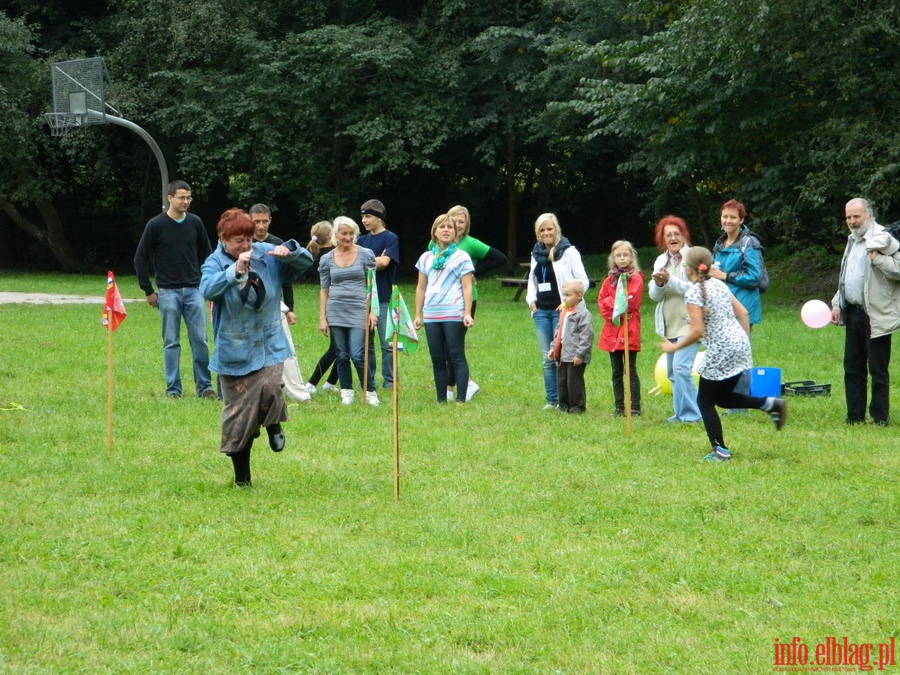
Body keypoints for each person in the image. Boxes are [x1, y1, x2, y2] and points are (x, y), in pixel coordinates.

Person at [199, 208, 314, 486]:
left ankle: (274, 423)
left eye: (248, 239)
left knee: (272, 387)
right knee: (239, 419)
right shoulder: (214, 263)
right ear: (223, 239)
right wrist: (234, 270)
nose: (246, 245)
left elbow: (306, 264)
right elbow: (206, 289)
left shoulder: (265, 252)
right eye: (239, 240)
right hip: (235, 352)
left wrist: (292, 251)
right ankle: (242, 479)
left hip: (270, 344)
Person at [660, 247, 787, 461]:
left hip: (720, 350)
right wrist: (743, 343)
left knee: (705, 402)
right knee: (724, 399)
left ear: (688, 269)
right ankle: (770, 404)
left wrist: (674, 347)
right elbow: (743, 312)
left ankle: (720, 450)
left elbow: (697, 331)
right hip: (739, 344)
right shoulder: (719, 284)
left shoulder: (693, 293)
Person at [134, 179, 216, 399]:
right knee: (171, 342)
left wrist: (207, 284)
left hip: (194, 290)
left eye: (189, 197)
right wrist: (148, 290)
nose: (186, 201)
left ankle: (205, 387)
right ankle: (173, 389)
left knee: (200, 340)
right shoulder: (155, 225)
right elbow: (140, 258)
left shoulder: (195, 223)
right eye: (181, 197)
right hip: (168, 292)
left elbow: (208, 256)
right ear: (169, 198)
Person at [831, 197, 900, 425]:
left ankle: (880, 418)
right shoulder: (852, 240)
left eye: (856, 216)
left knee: (878, 370)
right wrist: (836, 304)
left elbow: (898, 270)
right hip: (853, 312)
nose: (852, 221)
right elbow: (846, 278)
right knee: (852, 368)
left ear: (869, 216)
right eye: (848, 217)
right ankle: (855, 417)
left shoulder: (885, 238)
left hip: (876, 313)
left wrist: (879, 259)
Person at [525, 213, 589, 409]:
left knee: (563, 357)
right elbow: (532, 282)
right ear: (537, 233)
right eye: (542, 230)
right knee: (548, 357)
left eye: (549, 229)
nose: (546, 233)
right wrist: (531, 299)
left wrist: (569, 303)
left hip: (564, 313)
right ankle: (551, 400)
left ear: (556, 230)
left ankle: (566, 400)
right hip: (542, 312)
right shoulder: (536, 253)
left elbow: (583, 281)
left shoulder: (569, 252)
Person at [445, 204, 508, 402]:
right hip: (442, 300)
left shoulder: (471, 244)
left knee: (453, 344)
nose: (457, 225)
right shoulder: (437, 241)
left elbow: (500, 258)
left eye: (461, 221)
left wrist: (473, 272)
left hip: (466, 299)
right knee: (447, 344)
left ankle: (457, 387)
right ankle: (465, 384)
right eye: (454, 220)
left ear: (466, 224)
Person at [413, 213, 475, 403]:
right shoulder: (425, 258)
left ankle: (461, 399)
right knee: (437, 358)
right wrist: (418, 314)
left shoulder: (461, 256)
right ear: (435, 232)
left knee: (456, 356)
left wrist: (466, 313)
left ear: (455, 233)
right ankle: (441, 399)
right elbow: (421, 288)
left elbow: (467, 286)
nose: (446, 230)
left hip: (453, 313)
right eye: (442, 227)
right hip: (432, 314)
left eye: (450, 227)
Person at [318, 216, 379, 406]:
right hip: (335, 310)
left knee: (358, 354)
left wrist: (372, 311)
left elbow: (372, 286)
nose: (348, 237)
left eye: (351, 233)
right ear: (335, 235)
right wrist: (322, 318)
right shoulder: (326, 259)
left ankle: (370, 392)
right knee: (341, 354)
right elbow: (324, 290)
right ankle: (347, 392)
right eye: (344, 233)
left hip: (359, 309)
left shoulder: (366, 254)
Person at [710, 199, 764, 408]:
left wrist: (725, 275)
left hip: (744, 306)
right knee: (725, 352)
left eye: (733, 217)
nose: (728, 220)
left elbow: (754, 277)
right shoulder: (719, 243)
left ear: (741, 220)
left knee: (740, 354)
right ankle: (726, 398)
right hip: (723, 306)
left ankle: (739, 405)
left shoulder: (749, 243)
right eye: (725, 216)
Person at [649, 215, 702, 424]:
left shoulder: (694, 257)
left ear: (684, 235)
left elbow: (698, 290)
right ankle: (679, 414)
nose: (672, 238)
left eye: (676, 234)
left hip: (690, 324)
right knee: (672, 373)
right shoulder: (661, 261)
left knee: (681, 368)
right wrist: (660, 284)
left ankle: (692, 415)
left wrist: (670, 281)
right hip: (668, 324)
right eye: (668, 235)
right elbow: (654, 296)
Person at [356, 199, 400, 390]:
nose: (364, 220)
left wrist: (366, 260)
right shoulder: (362, 240)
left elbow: (384, 263)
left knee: (386, 343)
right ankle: (369, 381)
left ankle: (390, 381)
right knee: (367, 345)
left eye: (368, 216)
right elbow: (354, 262)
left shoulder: (390, 238)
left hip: (382, 298)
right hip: (362, 299)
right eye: (363, 216)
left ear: (379, 218)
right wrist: (375, 259)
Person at [597, 240, 644, 416]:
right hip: (612, 329)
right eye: (618, 255)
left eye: (625, 255)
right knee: (616, 370)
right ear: (613, 258)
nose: (622, 258)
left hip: (629, 328)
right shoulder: (609, 280)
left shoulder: (636, 278)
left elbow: (631, 302)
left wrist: (618, 303)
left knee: (629, 369)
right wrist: (615, 306)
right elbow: (602, 302)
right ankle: (619, 406)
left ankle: (635, 406)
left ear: (631, 257)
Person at [303, 221, 340, 395]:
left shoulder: (318, 254)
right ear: (331, 236)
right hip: (336, 304)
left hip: (333, 304)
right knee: (337, 348)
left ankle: (330, 383)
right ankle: (312, 383)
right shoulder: (333, 255)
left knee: (342, 348)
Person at [547, 280, 593, 414]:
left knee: (574, 382)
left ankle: (577, 406)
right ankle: (564, 405)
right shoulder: (564, 313)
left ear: (579, 296)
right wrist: (552, 347)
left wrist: (580, 354)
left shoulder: (584, 314)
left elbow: (586, 336)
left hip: (574, 355)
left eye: (568, 295)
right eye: (563, 295)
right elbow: (558, 332)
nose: (565, 298)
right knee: (562, 381)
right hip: (562, 353)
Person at [249, 204, 296, 325]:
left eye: (264, 221)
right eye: (257, 221)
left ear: (270, 220)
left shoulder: (278, 244)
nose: (261, 226)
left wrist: (289, 309)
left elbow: (286, 280)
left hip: (274, 303)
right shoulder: (244, 243)